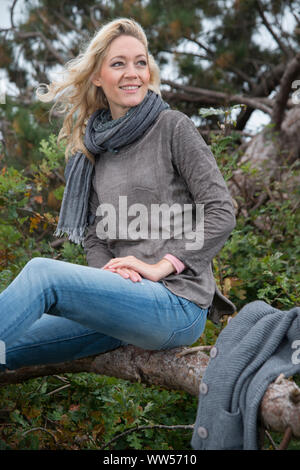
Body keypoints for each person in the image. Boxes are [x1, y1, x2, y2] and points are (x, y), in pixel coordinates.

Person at [0, 18, 236, 372]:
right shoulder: (93, 151)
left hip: (176, 303)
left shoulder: (172, 127)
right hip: (122, 307)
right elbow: (95, 235)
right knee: (10, 349)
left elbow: (221, 210)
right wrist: (109, 281)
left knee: (42, 274)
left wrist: (161, 266)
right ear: (97, 76)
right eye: (118, 63)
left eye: (140, 62)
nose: (133, 73)